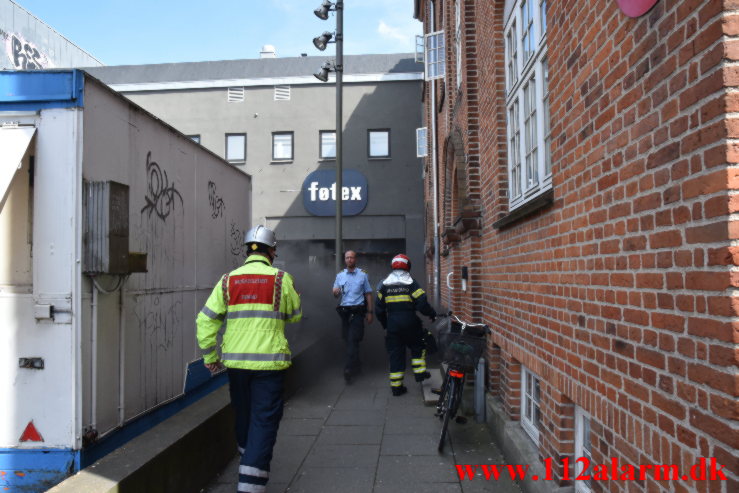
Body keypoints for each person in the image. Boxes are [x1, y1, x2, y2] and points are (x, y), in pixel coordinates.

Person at [196, 225, 301, 493]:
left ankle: (248, 457)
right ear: (272, 251)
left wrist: (210, 355)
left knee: (243, 415)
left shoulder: (228, 280)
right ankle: (250, 485)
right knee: (264, 420)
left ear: (247, 251)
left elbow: (205, 320)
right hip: (269, 366)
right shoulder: (281, 279)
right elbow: (295, 315)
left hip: (236, 365)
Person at [375, 254, 436, 396]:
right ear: (408, 266)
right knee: (418, 345)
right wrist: (431, 313)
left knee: (396, 354)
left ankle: (396, 387)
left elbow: (378, 309)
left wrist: (386, 325)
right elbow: (422, 303)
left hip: (393, 324)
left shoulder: (384, 285)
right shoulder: (411, 283)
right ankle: (420, 374)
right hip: (410, 322)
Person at [332, 250, 373, 384]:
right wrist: (335, 292)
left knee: (352, 339)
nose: (349, 259)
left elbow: (368, 294)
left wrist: (370, 312)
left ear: (355, 259)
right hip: (345, 313)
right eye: (347, 257)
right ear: (345, 260)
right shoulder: (340, 276)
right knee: (348, 340)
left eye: (352, 257)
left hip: (358, 312)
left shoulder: (363, 275)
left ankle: (348, 370)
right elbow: (336, 294)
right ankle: (357, 365)